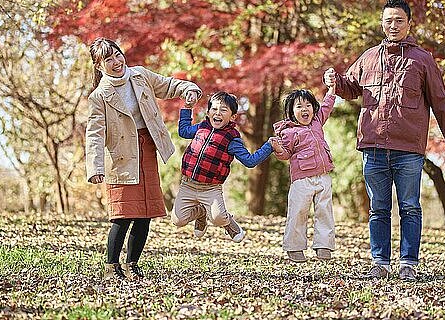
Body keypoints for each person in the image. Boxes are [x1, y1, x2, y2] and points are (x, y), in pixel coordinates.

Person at [324, 0, 445, 281]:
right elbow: (351, 87)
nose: (393, 25)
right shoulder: (368, 57)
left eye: (399, 20)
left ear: (409, 24)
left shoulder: (422, 60)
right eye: (388, 20)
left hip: (408, 149)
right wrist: (335, 81)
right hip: (373, 146)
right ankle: (380, 262)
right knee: (378, 208)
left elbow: (441, 101)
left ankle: (408, 263)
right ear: (382, 23)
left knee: (410, 206)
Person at [85, 37, 201, 281]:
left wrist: (188, 89)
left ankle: (132, 264)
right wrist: (95, 166)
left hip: (147, 148)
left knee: (145, 212)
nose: (116, 61)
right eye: (108, 59)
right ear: (99, 66)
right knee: (123, 215)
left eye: (117, 54)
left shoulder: (140, 75)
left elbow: (169, 86)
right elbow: (94, 134)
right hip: (121, 157)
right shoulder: (99, 97)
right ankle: (111, 267)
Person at [172, 91, 274, 242]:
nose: (217, 113)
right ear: (208, 112)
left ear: (233, 117)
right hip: (188, 184)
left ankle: (227, 223)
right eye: (214, 109)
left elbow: (249, 161)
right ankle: (201, 213)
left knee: (218, 218)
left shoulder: (231, 138)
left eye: (223, 110)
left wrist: (269, 146)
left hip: (211, 189)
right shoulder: (202, 127)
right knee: (177, 220)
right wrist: (187, 108)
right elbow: (183, 131)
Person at [270, 86, 337, 263]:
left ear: (313, 108)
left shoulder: (317, 122)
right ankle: (294, 247)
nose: (304, 109)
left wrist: (332, 90)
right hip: (302, 179)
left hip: (323, 176)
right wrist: (277, 148)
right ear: (292, 112)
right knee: (298, 211)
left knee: (325, 211)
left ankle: (324, 246)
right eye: (299, 106)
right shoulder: (288, 132)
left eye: (308, 105)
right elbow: (285, 154)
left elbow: (327, 106)